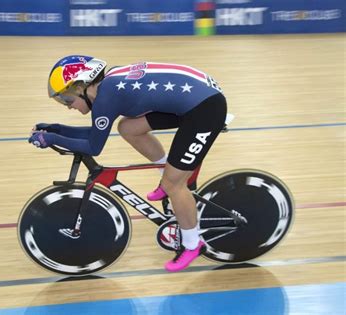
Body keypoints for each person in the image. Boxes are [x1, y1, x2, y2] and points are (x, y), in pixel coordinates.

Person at [29, 55, 227, 272]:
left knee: (174, 185)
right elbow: (95, 133)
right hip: (197, 98)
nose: (68, 107)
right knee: (128, 128)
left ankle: (192, 244)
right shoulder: (108, 87)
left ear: (82, 85)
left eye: (66, 99)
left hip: (205, 109)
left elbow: (94, 146)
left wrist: (52, 139)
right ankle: (167, 173)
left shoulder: (107, 97)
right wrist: (56, 129)